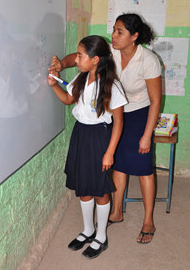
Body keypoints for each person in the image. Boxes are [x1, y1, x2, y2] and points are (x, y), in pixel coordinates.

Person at [50, 13, 162, 244]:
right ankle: (116, 211)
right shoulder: (108, 52)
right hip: (109, 114)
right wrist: (62, 63)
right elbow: (80, 58)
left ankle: (148, 220)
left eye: (120, 31)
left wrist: (147, 135)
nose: (114, 35)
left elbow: (155, 101)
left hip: (139, 112)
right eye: (114, 30)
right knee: (115, 163)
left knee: (142, 166)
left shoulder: (148, 59)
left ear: (135, 36)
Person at [48, 35, 127, 258]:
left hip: (99, 138)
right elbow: (68, 99)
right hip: (80, 134)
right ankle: (88, 230)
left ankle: (101, 236)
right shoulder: (81, 79)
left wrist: (109, 152)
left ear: (95, 60)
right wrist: (55, 86)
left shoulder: (111, 86)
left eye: (81, 55)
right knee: (83, 186)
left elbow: (119, 122)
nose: (77, 59)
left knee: (100, 188)